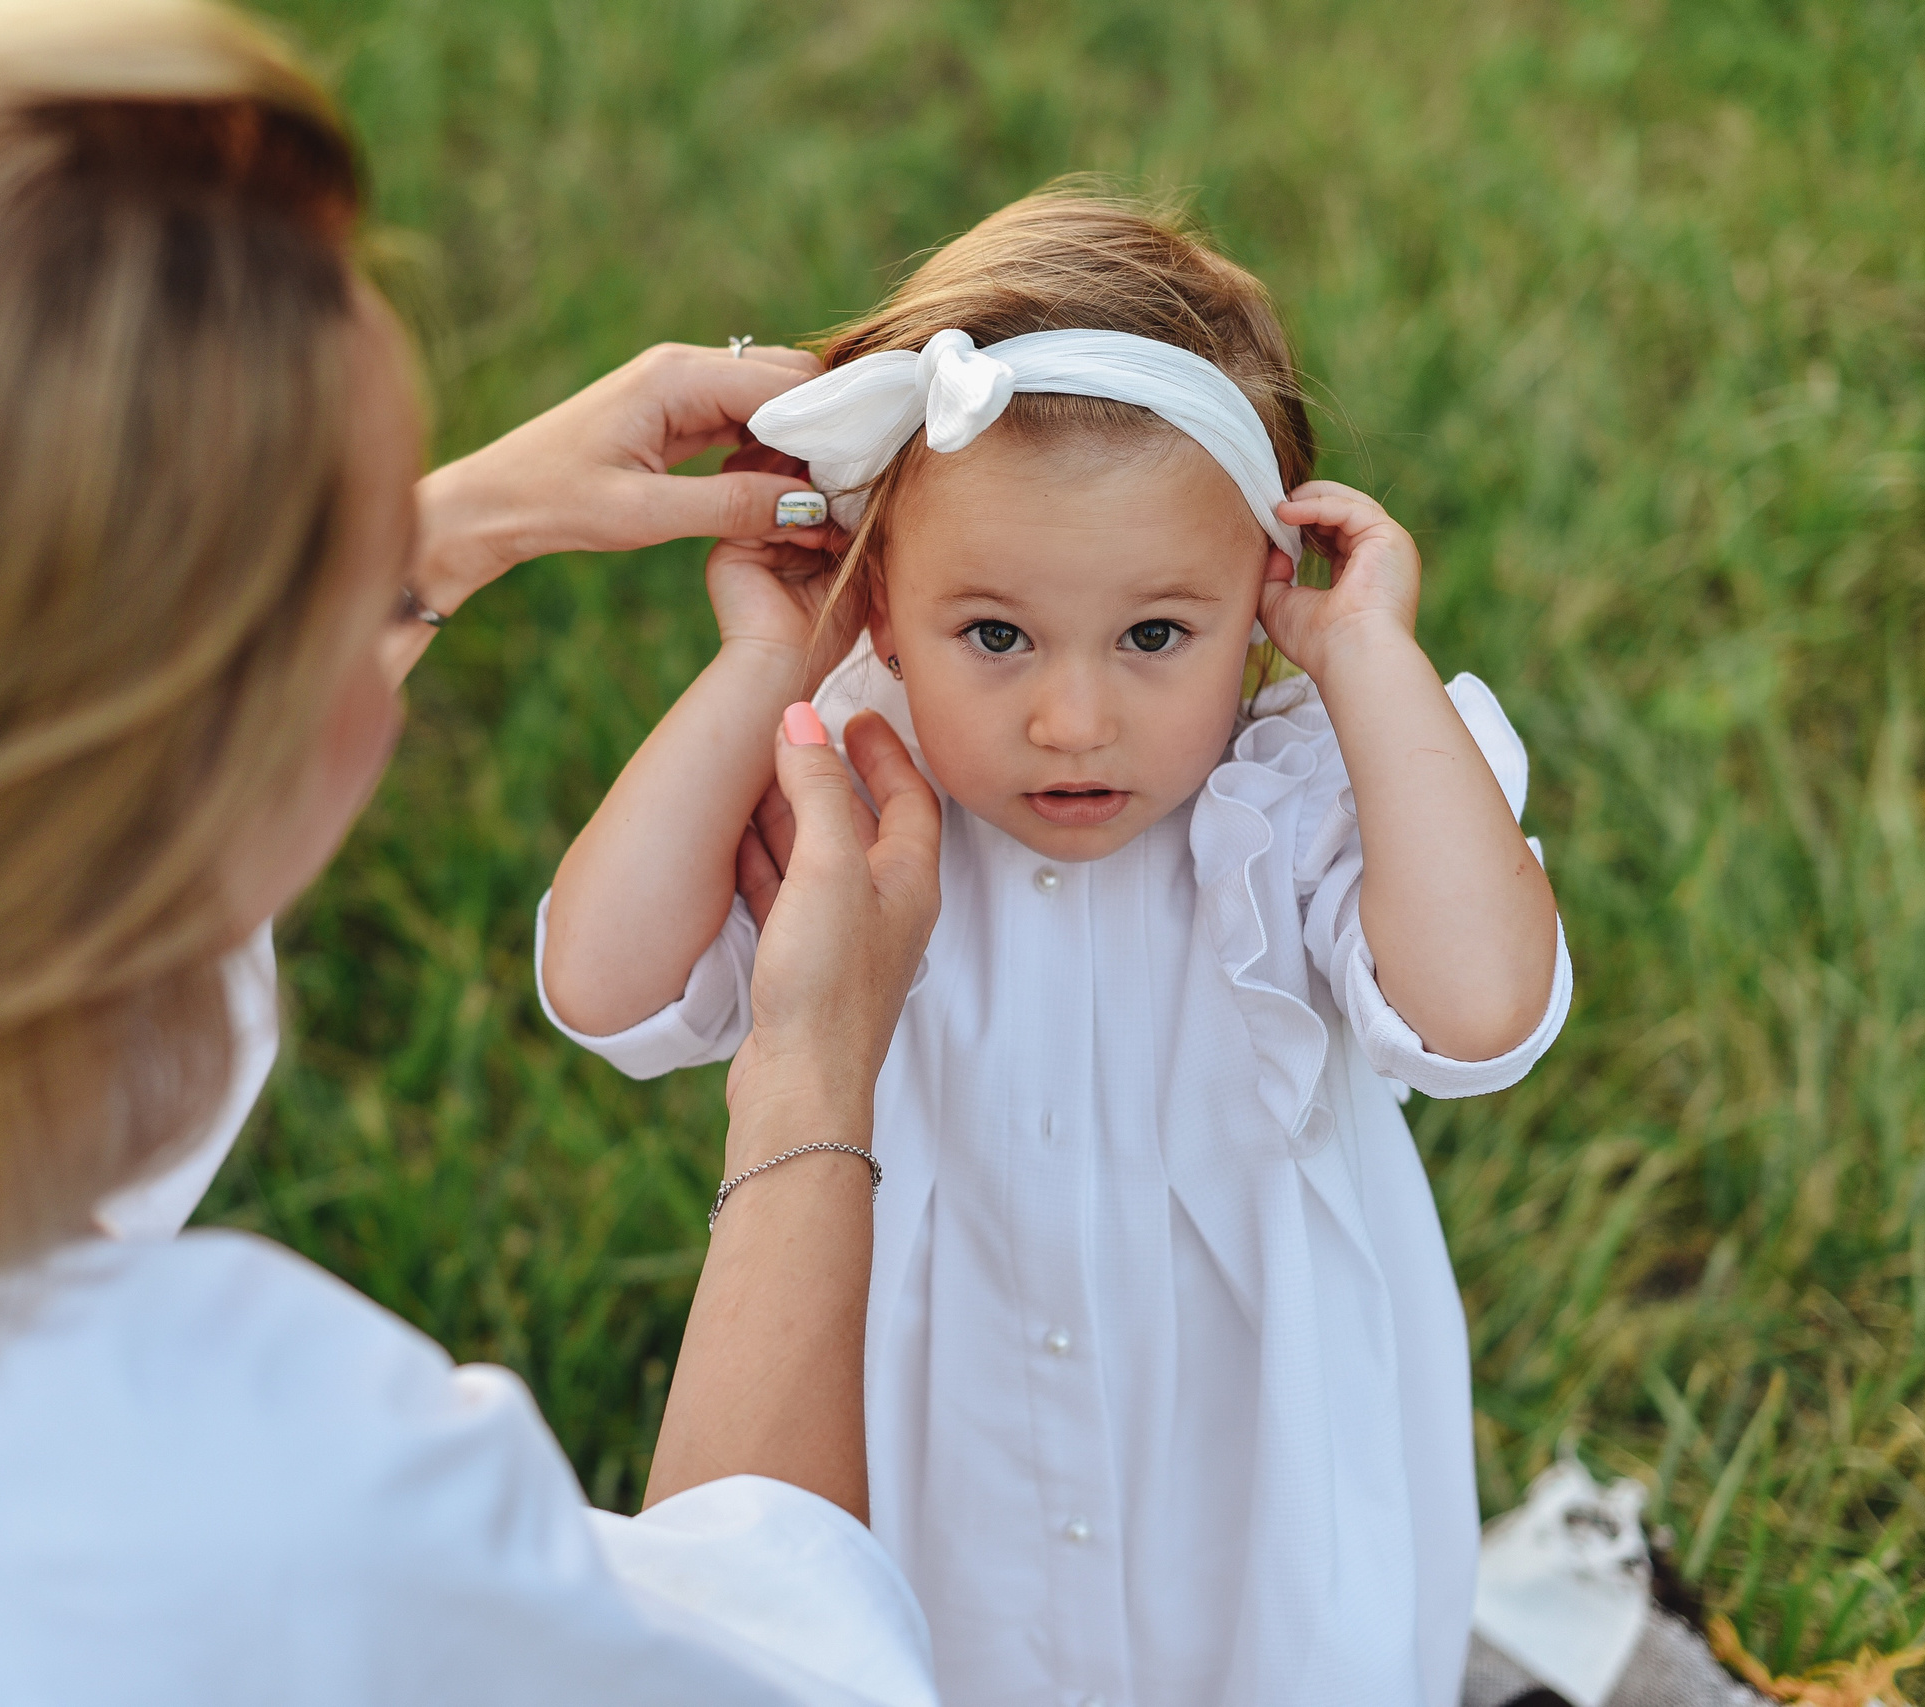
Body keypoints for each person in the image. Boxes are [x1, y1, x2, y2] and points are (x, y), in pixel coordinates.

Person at [0, 2, 948, 1702]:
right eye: (356, 602)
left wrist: (447, 528)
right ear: (181, 770)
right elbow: (795, 1667)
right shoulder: (253, 1519)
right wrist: (809, 1079)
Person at [537, 188, 1575, 1707]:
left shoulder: (1303, 798)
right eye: (997, 636)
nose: (1071, 721)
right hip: (943, 1441)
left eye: (1157, 636)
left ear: (1263, 601)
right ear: (880, 605)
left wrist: (1372, 664)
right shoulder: (850, 798)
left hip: (1241, 1467)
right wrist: (766, 661)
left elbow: (1485, 1015)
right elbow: (602, 983)